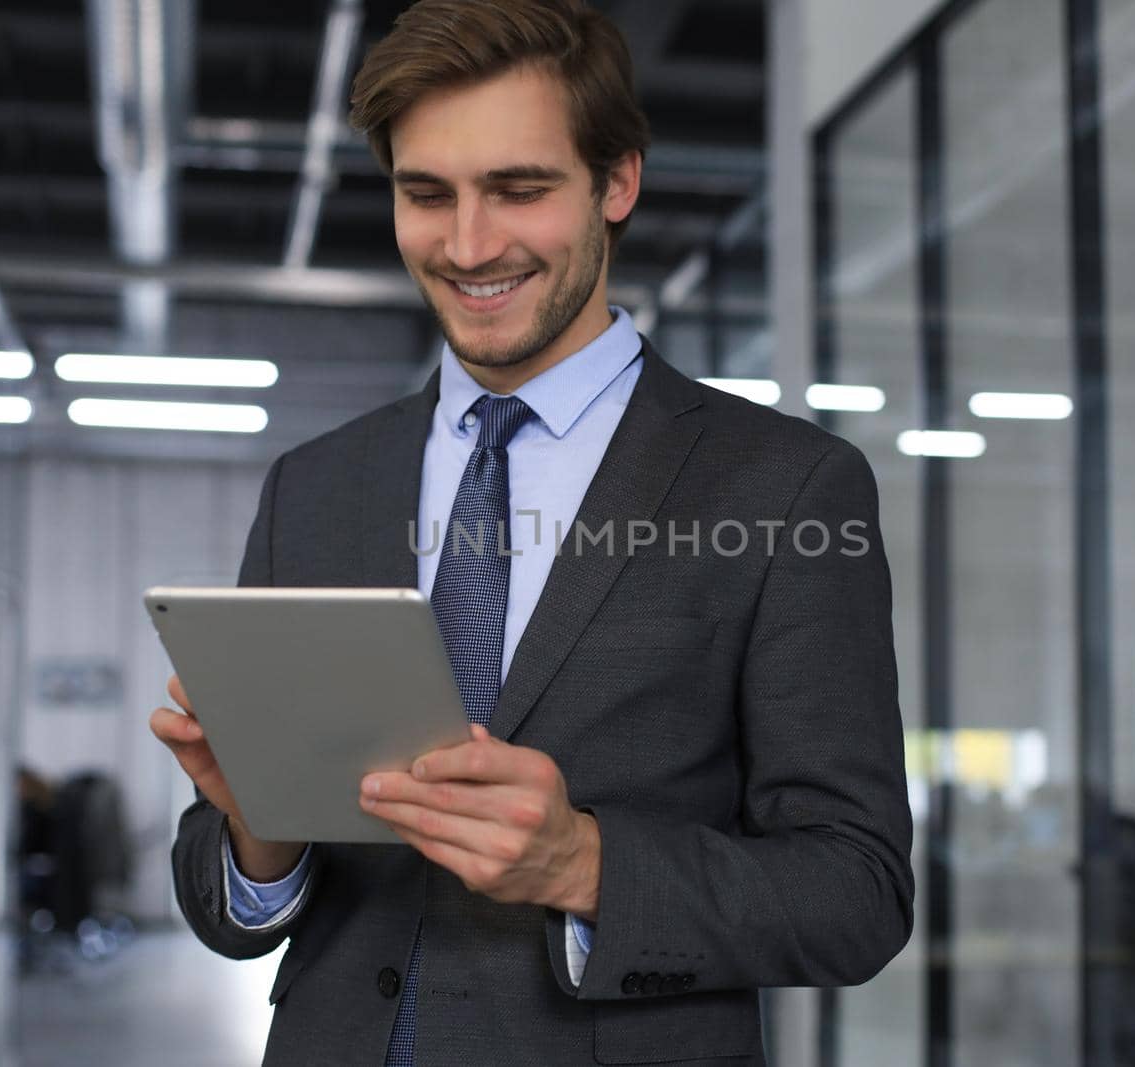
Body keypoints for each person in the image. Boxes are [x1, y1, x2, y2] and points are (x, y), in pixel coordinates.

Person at [148, 1, 914, 1063]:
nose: (468, 245)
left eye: (519, 188)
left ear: (616, 183)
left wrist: (583, 864)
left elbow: (855, 891)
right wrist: (256, 829)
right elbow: (227, 903)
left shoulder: (784, 487)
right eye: (427, 194)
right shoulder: (316, 485)